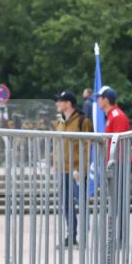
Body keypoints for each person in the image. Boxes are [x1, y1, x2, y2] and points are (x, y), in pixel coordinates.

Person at [53, 90, 94, 246]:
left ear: (68, 103)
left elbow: (87, 146)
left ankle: (82, 236)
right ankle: (72, 235)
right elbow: (59, 145)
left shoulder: (83, 121)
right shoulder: (61, 122)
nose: (57, 104)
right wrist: (49, 159)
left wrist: (81, 169)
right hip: (63, 169)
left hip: (77, 170)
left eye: (60, 101)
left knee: (81, 202)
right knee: (67, 203)